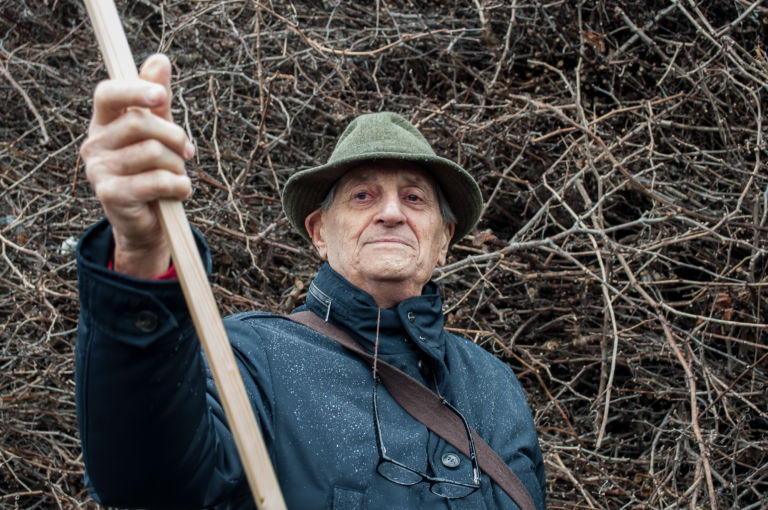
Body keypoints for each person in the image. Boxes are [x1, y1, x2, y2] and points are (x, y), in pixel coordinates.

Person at [75, 54, 546, 510]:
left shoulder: (496, 386)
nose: (390, 213)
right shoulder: (251, 358)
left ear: (444, 240)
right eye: (363, 195)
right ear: (320, 233)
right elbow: (142, 472)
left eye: (414, 197)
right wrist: (141, 255)